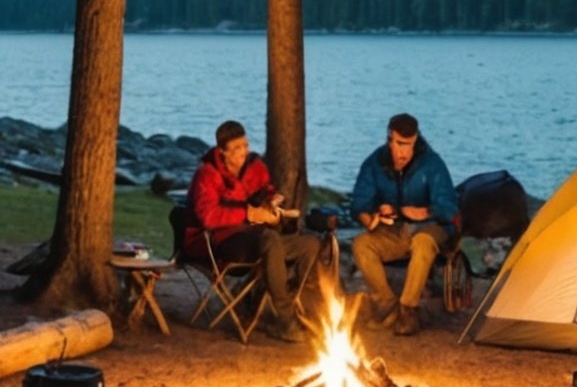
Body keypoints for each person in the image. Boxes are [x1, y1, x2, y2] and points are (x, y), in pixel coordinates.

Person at [184, 120, 321, 343]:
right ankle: (285, 319)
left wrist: (271, 200)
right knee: (270, 240)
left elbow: (265, 188)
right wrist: (249, 214)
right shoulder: (207, 175)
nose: (243, 153)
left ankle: (275, 298)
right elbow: (208, 217)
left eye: (245, 146)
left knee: (310, 244)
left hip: (252, 236)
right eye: (237, 149)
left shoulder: (253, 166)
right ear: (223, 152)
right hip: (219, 240)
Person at [349, 113, 458, 336]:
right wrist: (372, 217)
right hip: (396, 231)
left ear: (416, 140)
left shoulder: (432, 164)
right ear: (390, 139)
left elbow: (450, 208)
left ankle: (408, 310)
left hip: (431, 228)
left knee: (422, 242)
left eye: (408, 145)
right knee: (361, 244)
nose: (403, 152)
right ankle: (387, 304)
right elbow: (359, 202)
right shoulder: (375, 163)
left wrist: (425, 212)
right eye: (398, 144)